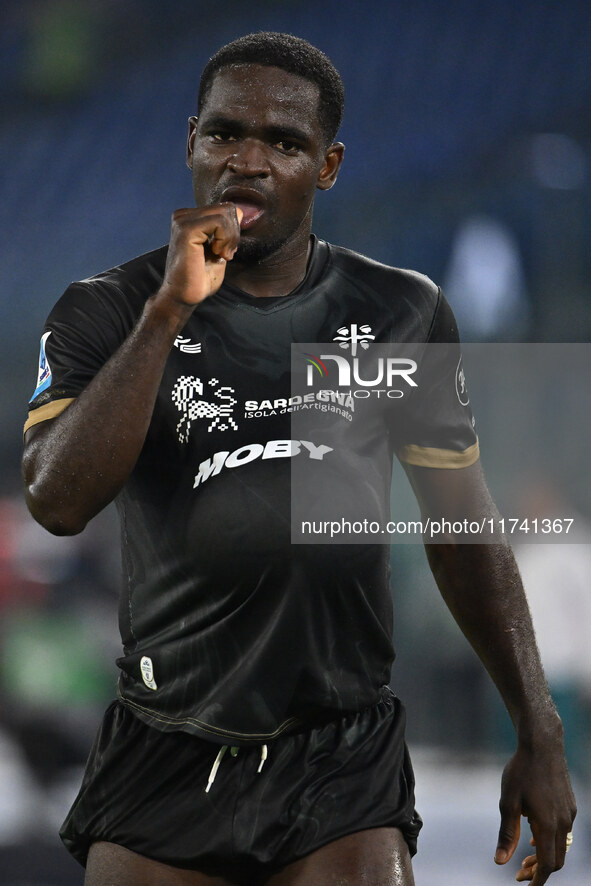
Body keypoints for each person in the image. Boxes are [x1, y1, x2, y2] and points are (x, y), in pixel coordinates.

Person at [22, 32, 575, 886]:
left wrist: (538, 729)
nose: (248, 160)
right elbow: (57, 502)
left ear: (328, 165)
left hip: (340, 758)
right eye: (225, 134)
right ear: (190, 143)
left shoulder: (395, 310)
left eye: (283, 143)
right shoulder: (108, 308)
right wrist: (168, 313)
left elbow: (462, 529)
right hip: (165, 744)